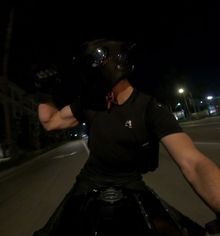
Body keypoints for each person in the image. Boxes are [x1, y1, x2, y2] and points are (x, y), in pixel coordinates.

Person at [33, 39, 220, 235]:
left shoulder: (150, 109)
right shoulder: (90, 102)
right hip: (87, 183)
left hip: (132, 185)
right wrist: (44, 93)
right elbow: (51, 122)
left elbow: (193, 162)